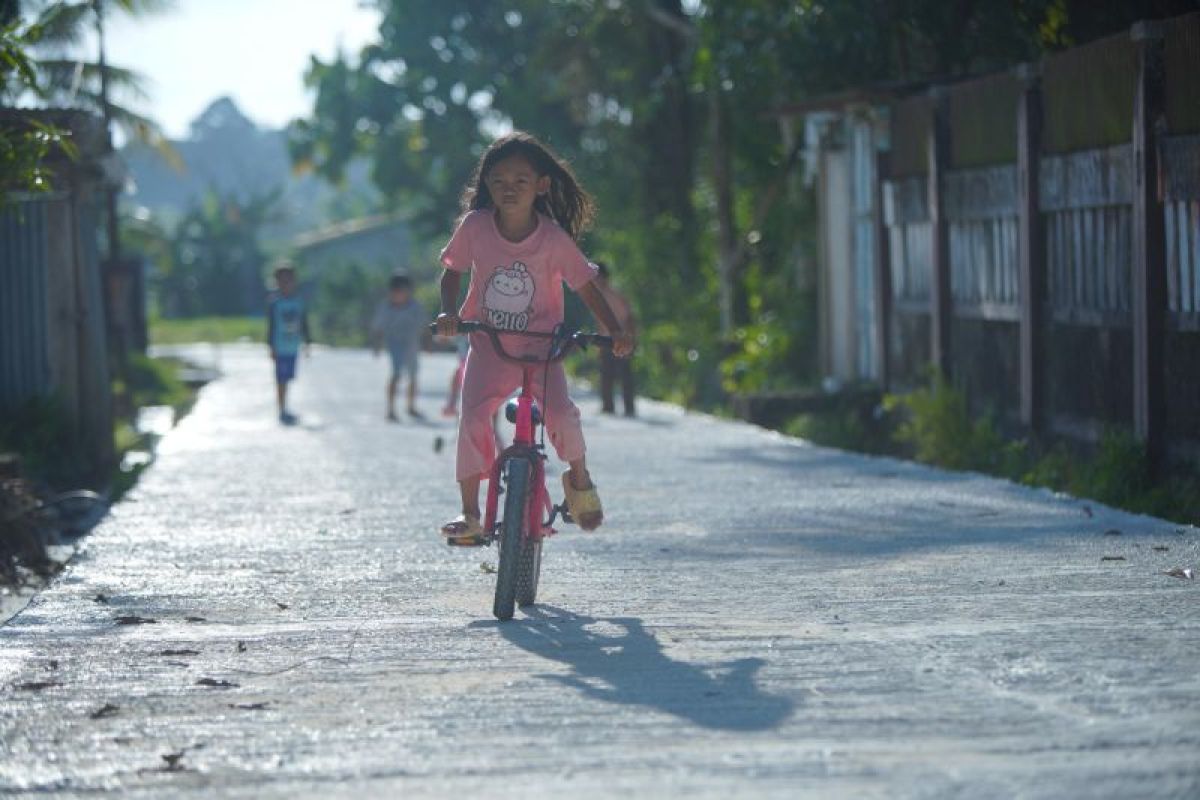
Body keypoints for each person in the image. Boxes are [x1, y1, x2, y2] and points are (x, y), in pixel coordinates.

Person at [434, 131, 634, 542]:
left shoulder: (553, 239)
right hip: (489, 345)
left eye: (520, 181)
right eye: (499, 180)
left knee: (561, 415)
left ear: (541, 185)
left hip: (544, 350)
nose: (509, 189)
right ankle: (471, 513)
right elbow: (453, 269)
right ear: (486, 184)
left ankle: (579, 480)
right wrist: (449, 313)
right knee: (472, 418)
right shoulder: (475, 227)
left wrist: (613, 330)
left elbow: (585, 286)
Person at [371, 271, 428, 421]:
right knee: (396, 373)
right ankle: (390, 409)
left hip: (411, 343)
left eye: (402, 291)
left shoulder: (415, 307)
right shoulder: (386, 307)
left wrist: (428, 344)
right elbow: (378, 328)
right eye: (395, 291)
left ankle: (411, 406)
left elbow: (424, 326)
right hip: (394, 343)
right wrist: (377, 345)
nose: (398, 294)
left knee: (413, 375)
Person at [266, 263, 311, 424]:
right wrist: (270, 346)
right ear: (277, 282)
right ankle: (282, 409)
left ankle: (285, 406)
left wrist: (307, 342)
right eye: (282, 281)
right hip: (280, 347)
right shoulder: (274, 303)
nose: (286, 284)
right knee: (280, 379)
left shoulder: (298, 302)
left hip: (293, 346)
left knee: (287, 378)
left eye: (289, 280)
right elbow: (271, 327)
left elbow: (304, 322)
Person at [592, 261, 637, 417]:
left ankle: (629, 407)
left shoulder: (616, 295)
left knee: (625, 375)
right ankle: (608, 406)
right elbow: (599, 322)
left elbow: (629, 318)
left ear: (604, 277)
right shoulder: (596, 296)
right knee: (606, 374)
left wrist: (631, 338)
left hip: (621, 340)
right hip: (605, 340)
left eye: (597, 277)